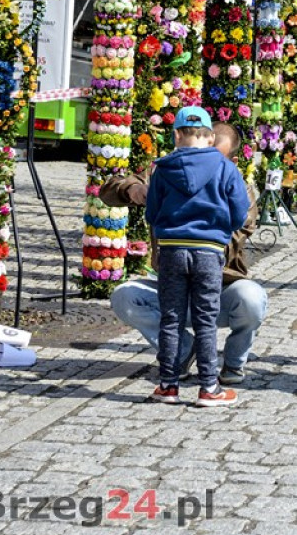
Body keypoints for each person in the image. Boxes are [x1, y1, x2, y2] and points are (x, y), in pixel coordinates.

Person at [105, 122, 268, 388]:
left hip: (217, 289)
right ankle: (182, 350)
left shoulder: (240, 189)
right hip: (172, 288)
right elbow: (109, 189)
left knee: (251, 298)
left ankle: (234, 362)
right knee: (125, 297)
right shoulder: (171, 171)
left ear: (232, 162)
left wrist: (189, 216)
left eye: (216, 156)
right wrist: (133, 190)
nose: (202, 163)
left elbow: (229, 236)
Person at [144, 107, 250, 407]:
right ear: (210, 136)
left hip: (172, 249)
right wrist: (218, 231)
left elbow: (151, 213)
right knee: (205, 319)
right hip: (209, 251)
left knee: (171, 318)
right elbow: (240, 211)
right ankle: (208, 388)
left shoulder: (162, 168)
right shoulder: (226, 168)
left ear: (177, 134)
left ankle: (168, 385)